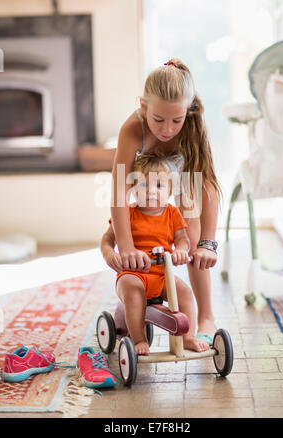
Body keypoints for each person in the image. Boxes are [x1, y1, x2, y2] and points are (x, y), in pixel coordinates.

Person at [110, 59, 221, 346]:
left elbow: (206, 184)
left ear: (188, 111)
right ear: (143, 105)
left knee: (192, 241)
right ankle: (137, 302)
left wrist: (207, 243)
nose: (168, 129)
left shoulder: (193, 125)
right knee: (142, 238)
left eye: (177, 120)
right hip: (147, 179)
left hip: (186, 175)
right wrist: (127, 247)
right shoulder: (132, 130)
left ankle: (205, 315)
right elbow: (119, 191)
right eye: (158, 119)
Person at [101, 153, 210, 355]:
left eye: (158, 186)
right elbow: (107, 240)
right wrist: (110, 256)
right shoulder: (128, 213)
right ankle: (139, 339)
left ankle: (188, 337)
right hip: (131, 275)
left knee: (184, 293)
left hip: (161, 275)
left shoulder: (172, 213)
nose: (151, 191)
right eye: (143, 185)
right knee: (134, 295)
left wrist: (181, 250)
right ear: (132, 189)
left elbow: (182, 239)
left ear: (169, 190)